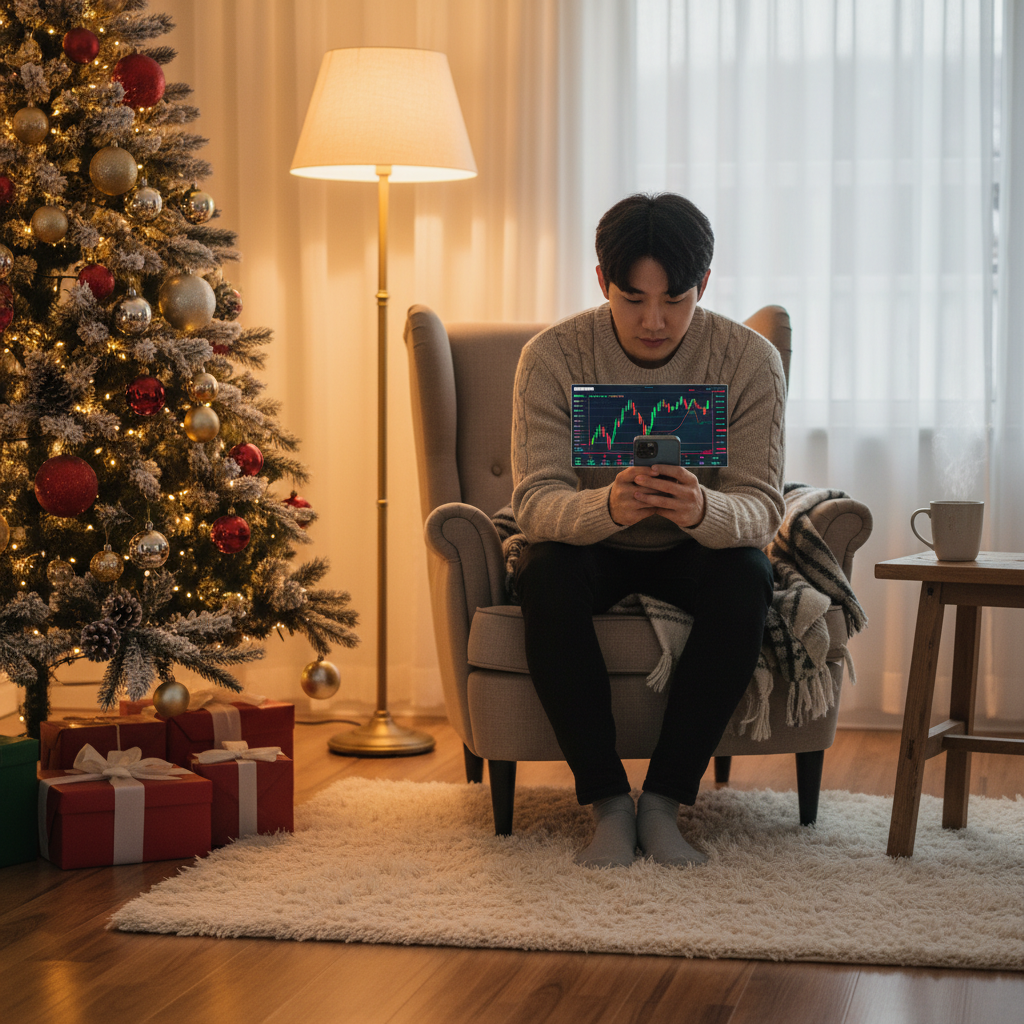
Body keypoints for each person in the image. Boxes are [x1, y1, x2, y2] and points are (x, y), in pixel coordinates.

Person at [510, 192, 786, 868]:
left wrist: (701, 511)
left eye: (676, 299)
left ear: (706, 286)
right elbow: (534, 503)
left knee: (749, 575)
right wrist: (609, 506)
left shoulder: (749, 360)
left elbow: (761, 507)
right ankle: (607, 802)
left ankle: (662, 801)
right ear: (601, 281)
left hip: (697, 549)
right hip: (590, 545)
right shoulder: (552, 357)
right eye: (632, 299)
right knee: (542, 571)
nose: (655, 321)